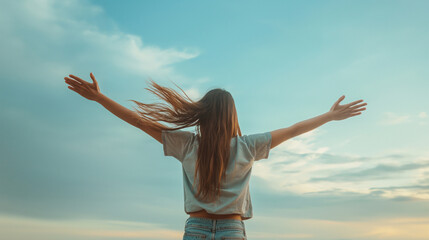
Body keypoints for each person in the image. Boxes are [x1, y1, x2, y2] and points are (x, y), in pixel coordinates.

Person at [64, 73, 367, 239]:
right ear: (232, 115)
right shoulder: (248, 146)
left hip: (195, 229)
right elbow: (295, 128)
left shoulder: (187, 145)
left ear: (202, 115)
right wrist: (329, 116)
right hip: (232, 230)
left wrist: (100, 97)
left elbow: (140, 122)